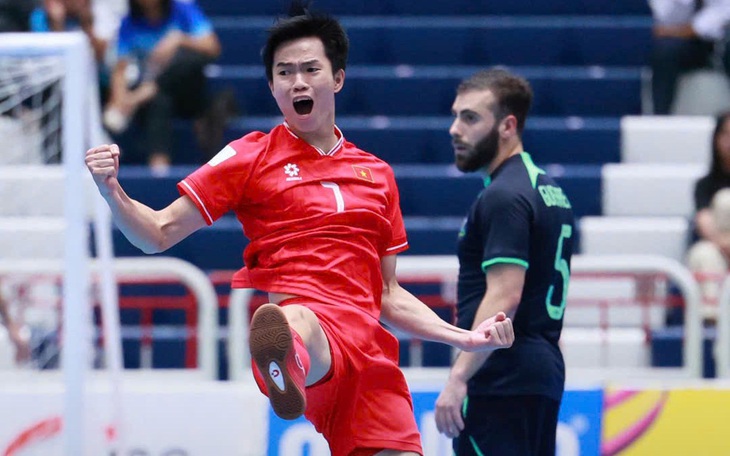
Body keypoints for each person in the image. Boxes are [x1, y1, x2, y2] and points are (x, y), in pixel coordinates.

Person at [85, 3, 515, 455]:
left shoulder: (378, 175)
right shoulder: (249, 157)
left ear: (338, 78)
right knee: (294, 321)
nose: (298, 81)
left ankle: (285, 362)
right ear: (272, 87)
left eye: (311, 68)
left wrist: (463, 336)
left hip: (371, 357)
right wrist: (113, 191)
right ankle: (282, 365)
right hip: (311, 335)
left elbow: (386, 293)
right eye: (284, 73)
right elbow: (157, 232)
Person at [434, 68, 575, 456]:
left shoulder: (503, 196)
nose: (454, 129)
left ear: (508, 125)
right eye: (455, 115)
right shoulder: (548, 189)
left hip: (501, 378)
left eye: (470, 117)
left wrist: (459, 377)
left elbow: (505, 296)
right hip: (539, 372)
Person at [103, 0, 233, 171]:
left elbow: (212, 47)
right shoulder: (129, 22)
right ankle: (159, 170)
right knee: (160, 101)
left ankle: (149, 90)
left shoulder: (184, 10)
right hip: (155, 96)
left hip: (189, 91)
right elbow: (120, 69)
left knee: (188, 59)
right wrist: (120, 100)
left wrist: (179, 39)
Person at [649, 0, 730, 114]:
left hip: (723, 38)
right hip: (689, 44)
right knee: (665, 50)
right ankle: (660, 116)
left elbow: (724, 13)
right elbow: (665, 19)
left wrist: (690, 30)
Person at [686, 111, 730, 319]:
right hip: (721, 250)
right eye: (726, 135)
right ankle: (713, 319)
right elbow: (704, 222)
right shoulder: (705, 186)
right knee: (702, 253)